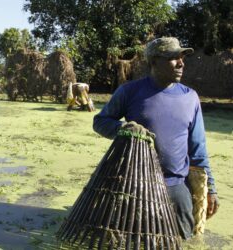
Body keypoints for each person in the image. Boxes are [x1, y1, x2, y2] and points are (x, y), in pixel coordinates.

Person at [93, 37, 219, 240]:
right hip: (135, 187)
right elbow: (100, 121)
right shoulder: (129, 91)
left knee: (181, 240)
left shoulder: (190, 97)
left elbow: (198, 149)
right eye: (173, 58)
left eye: (182, 57)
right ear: (153, 62)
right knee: (133, 240)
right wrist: (123, 128)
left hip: (176, 187)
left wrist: (210, 188)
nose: (181, 63)